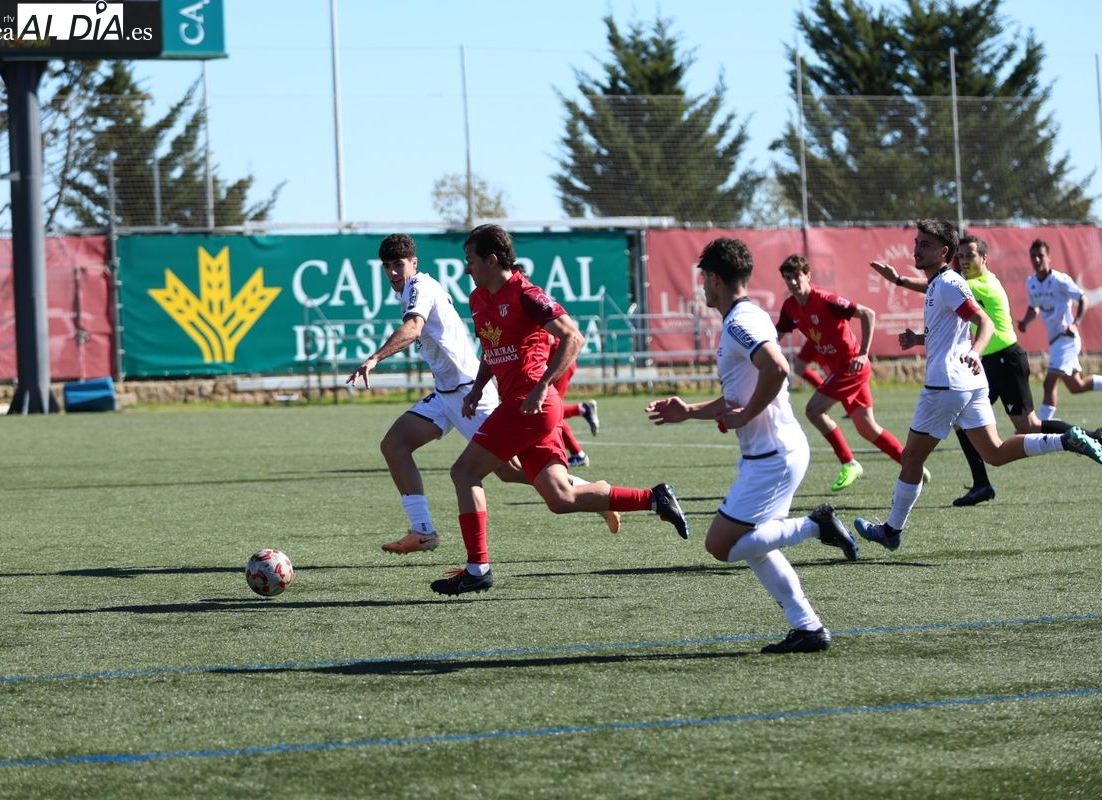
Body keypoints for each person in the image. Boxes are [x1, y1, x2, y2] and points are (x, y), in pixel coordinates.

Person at [430, 224, 689, 596]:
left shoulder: (527, 294)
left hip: (530, 405)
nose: (466, 268)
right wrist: (477, 389)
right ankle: (655, 498)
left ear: (492, 260)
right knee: (560, 498)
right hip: (520, 406)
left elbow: (573, 336)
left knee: (464, 472)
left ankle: (477, 568)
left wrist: (541, 386)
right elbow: (492, 349)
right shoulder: (478, 299)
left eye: (470, 260)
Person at [646, 238, 859, 655]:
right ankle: (808, 627)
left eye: (703, 279)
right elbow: (737, 397)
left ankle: (814, 526)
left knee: (720, 546)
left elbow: (776, 369)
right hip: (772, 454)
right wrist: (689, 411)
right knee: (758, 545)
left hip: (773, 457)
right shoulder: (746, 317)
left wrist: (745, 416)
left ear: (714, 278)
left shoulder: (739, 323)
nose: (702, 287)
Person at [347, 234, 618, 556]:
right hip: (446, 393)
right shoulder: (410, 290)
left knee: (508, 470)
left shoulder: (419, 287)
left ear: (414, 263)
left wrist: (375, 358)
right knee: (394, 445)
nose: (393, 272)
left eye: (398, 264)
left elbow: (414, 328)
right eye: (387, 266)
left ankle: (594, 493)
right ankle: (422, 531)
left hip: (467, 390)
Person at [855, 220, 1102, 551]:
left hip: (946, 385)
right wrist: (918, 338)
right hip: (969, 382)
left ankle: (891, 530)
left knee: (911, 458)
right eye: (916, 242)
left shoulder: (948, 284)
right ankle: (1065, 440)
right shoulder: (941, 283)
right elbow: (950, 331)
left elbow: (983, 322)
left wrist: (975, 351)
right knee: (994, 452)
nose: (916, 249)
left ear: (943, 252)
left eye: (924, 244)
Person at [775, 254, 918, 492]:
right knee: (867, 428)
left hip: (851, 366)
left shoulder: (826, 300)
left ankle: (849, 463)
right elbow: (776, 336)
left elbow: (868, 314)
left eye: (797, 276)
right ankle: (912, 466)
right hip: (840, 369)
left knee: (813, 410)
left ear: (808, 275)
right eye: (788, 278)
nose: (792, 282)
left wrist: (863, 353)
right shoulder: (790, 307)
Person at [1015, 238, 1102, 421]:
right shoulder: (1031, 283)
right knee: (1076, 386)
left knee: (1049, 383)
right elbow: (1034, 307)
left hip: (1067, 339)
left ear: (1049, 257)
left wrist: (1075, 323)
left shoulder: (1060, 280)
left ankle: (1042, 426)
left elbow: (1083, 298)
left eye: (1040, 256)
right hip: (1055, 340)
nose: (1036, 260)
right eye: (1033, 256)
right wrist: (1025, 322)